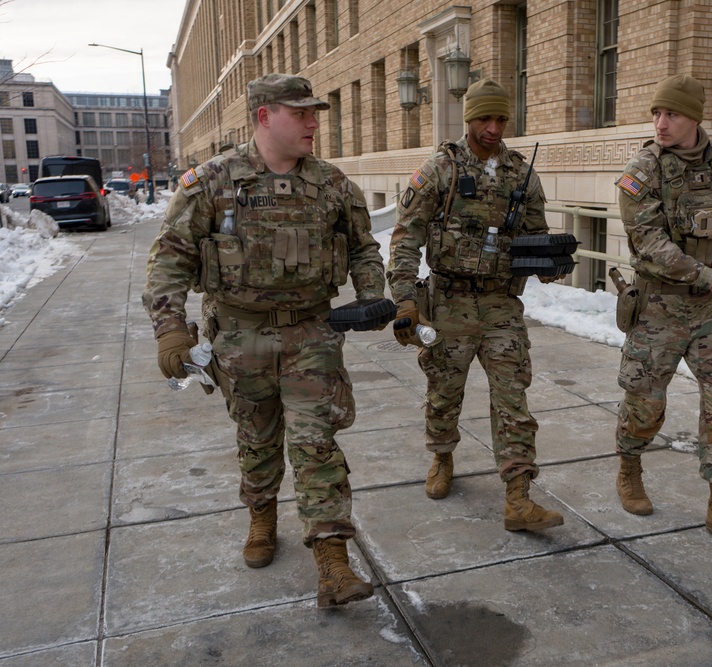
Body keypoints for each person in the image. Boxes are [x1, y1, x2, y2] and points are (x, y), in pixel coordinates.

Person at [142, 73, 386, 606]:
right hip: (239, 334)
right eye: (300, 113)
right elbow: (169, 259)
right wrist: (170, 331)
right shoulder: (211, 182)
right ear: (263, 116)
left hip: (313, 334)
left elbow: (365, 247)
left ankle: (332, 561)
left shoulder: (333, 184)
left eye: (314, 113)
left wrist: (373, 295)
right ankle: (261, 516)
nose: (313, 122)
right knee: (256, 439)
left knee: (316, 441)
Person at [387, 79, 564, 532]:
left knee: (512, 399)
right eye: (485, 118)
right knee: (444, 394)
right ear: (469, 119)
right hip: (448, 303)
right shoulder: (439, 170)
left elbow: (535, 235)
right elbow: (406, 238)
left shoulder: (520, 173)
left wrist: (550, 262)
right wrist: (406, 299)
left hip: (502, 304)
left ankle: (519, 496)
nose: (493, 127)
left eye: (500, 119)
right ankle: (442, 457)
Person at [613, 74, 712, 541]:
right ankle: (629, 469)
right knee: (645, 402)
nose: (662, 123)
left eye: (673, 114)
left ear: (694, 117)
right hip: (658, 308)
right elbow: (648, 243)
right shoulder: (642, 169)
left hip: (709, 311)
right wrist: (711, 277)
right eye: (657, 114)